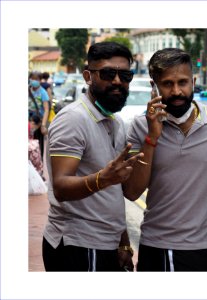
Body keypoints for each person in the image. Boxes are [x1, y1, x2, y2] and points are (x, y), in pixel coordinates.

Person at [124, 48, 207, 271]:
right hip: (156, 245)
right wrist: (152, 137)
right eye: (167, 84)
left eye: (183, 82)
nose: (177, 91)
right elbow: (131, 191)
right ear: (154, 87)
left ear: (194, 81)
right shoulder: (140, 127)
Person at [42, 41, 143, 271]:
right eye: (108, 73)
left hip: (105, 244)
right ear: (88, 76)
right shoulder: (73, 119)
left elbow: (114, 194)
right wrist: (103, 178)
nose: (117, 81)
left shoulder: (116, 122)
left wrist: (124, 242)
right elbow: (61, 186)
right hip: (78, 245)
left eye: (125, 75)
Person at [29, 71, 50, 158]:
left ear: (40, 80)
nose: (34, 81)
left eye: (36, 79)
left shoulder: (43, 92)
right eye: (32, 78)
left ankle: (38, 167)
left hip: (38, 123)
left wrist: (43, 125)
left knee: (37, 147)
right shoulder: (27, 90)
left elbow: (46, 109)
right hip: (28, 123)